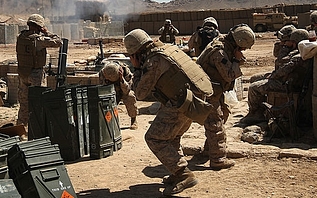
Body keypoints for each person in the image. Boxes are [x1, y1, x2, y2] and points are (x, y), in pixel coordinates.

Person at [124, 29, 213, 196]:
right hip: (193, 99)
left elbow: (141, 93)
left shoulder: (153, 61)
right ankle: (176, 171)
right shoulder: (167, 48)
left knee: (154, 138)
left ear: (135, 52)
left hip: (182, 102)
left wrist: (136, 70)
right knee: (172, 137)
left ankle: (183, 174)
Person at [196, 24, 255, 170]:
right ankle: (218, 159)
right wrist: (236, 60)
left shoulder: (225, 45)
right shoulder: (219, 51)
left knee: (223, 115)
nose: (244, 51)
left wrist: (237, 58)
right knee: (216, 124)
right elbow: (228, 75)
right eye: (243, 47)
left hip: (214, 90)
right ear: (238, 42)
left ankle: (210, 149)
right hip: (208, 92)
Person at [241, 29, 311, 125]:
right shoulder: (304, 51)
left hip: (288, 85)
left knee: (253, 88)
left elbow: (281, 65)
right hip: (287, 80)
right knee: (255, 79)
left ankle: (257, 115)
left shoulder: (298, 56)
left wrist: (286, 47)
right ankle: (260, 109)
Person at [15, 14, 62, 127]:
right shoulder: (38, 40)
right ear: (39, 26)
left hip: (23, 73)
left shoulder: (20, 37)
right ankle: (37, 127)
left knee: (24, 103)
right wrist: (46, 32)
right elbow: (59, 42)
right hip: (35, 74)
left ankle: (21, 127)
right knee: (38, 101)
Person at [99, 61, 138, 130]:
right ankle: (108, 122)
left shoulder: (126, 71)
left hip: (123, 90)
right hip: (111, 91)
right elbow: (103, 88)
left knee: (130, 97)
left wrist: (121, 80)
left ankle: (133, 119)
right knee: (104, 101)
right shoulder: (103, 73)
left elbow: (127, 90)